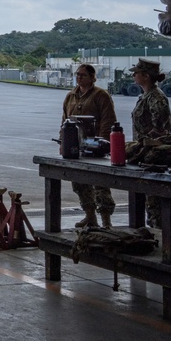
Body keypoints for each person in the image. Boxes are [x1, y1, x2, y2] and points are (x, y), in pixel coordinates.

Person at [61, 63, 118, 228]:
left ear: (92, 77)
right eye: (77, 74)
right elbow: (64, 120)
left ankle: (106, 220)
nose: (79, 77)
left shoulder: (101, 95)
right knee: (79, 183)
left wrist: (103, 143)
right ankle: (90, 216)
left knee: (100, 184)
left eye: (83, 75)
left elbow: (108, 120)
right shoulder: (70, 96)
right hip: (76, 146)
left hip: (96, 145)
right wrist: (63, 142)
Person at [129, 58, 171, 228]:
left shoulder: (156, 97)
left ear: (146, 76)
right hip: (144, 152)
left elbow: (163, 129)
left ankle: (160, 234)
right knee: (145, 196)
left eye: (137, 73)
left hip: (153, 155)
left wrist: (145, 142)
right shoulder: (146, 96)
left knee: (154, 200)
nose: (133, 75)